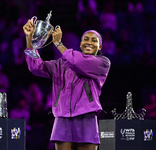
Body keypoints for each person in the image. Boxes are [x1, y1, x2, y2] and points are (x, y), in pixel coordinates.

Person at [23, 18, 111, 150]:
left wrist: (58, 43)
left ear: (100, 47)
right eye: (86, 39)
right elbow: (35, 67)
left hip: (86, 117)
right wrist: (29, 39)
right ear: (80, 44)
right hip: (62, 116)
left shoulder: (102, 63)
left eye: (94, 40)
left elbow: (77, 62)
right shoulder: (61, 64)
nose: (89, 42)